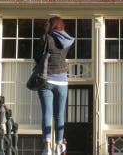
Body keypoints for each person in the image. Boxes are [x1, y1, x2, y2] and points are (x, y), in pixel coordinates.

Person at [37, 16, 75, 155]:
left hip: (46, 79)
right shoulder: (68, 41)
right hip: (62, 81)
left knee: (47, 113)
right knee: (59, 115)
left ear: (51, 25)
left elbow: (37, 57)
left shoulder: (45, 38)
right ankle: (59, 146)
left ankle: (47, 147)